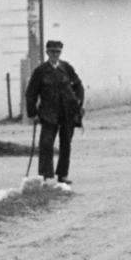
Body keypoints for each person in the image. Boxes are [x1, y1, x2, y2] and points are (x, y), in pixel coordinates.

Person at [25, 39, 84, 184]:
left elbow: (78, 85)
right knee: (46, 143)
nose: (55, 55)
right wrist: (33, 114)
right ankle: (45, 175)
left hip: (67, 112)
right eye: (52, 52)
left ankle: (62, 175)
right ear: (47, 52)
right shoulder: (40, 71)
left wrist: (78, 103)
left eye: (57, 52)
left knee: (66, 144)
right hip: (48, 113)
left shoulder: (66, 68)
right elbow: (31, 93)